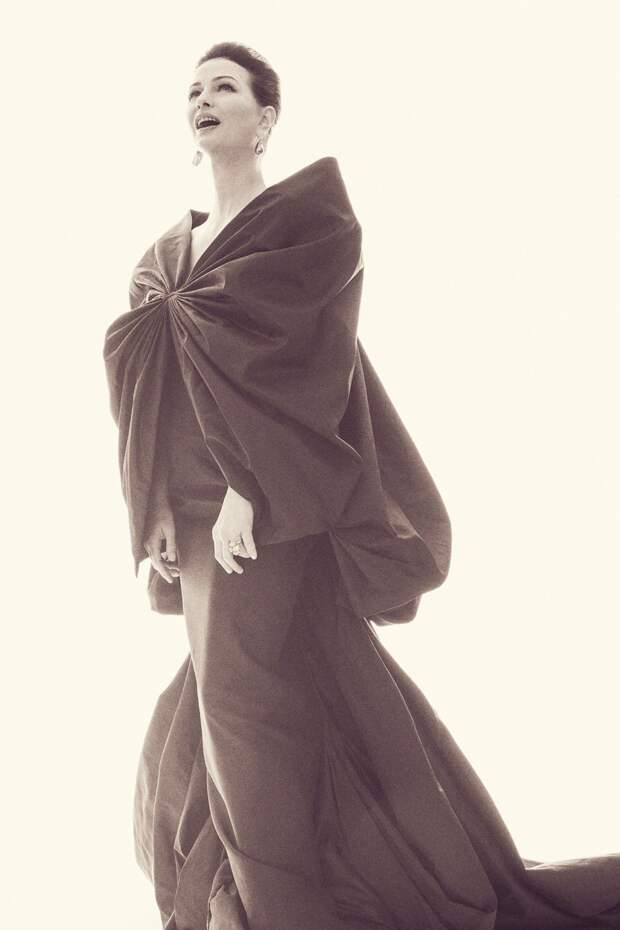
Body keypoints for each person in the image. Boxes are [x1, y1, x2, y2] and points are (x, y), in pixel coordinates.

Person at [103, 42, 620, 930]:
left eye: (224, 86)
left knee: (238, 712)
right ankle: (315, 891)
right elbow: (146, 386)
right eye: (192, 90)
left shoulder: (309, 223)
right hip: (187, 517)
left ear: (266, 118)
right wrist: (150, 510)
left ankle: (279, 912)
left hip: (266, 506)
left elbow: (318, 364)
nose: (203, 98)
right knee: (279, 694)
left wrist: (248, 489)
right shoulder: (163, 253)